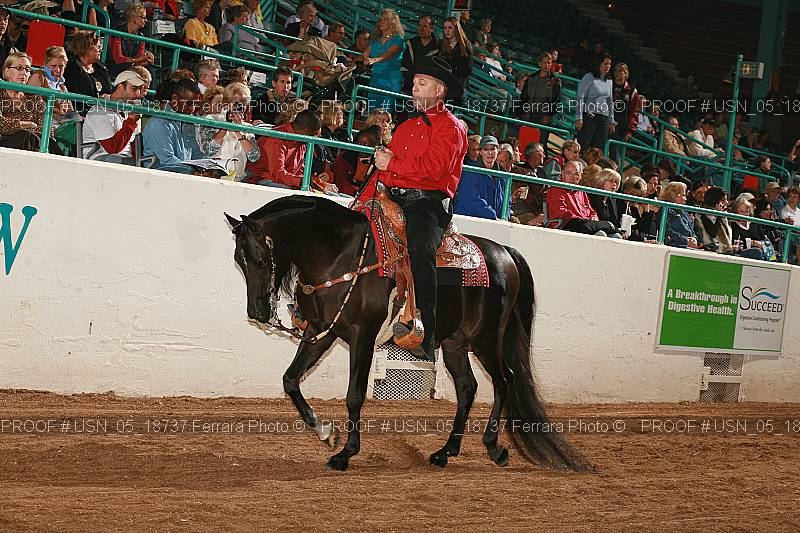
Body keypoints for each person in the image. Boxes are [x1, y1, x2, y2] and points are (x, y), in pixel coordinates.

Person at [372, 56, 467, 361]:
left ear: (440, 91)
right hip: (394, 197)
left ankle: (426, 330)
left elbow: (436, 170)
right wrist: (380, 176)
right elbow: (387, 172)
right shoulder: (405, 127)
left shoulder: (452, 127)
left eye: (422, 83)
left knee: (420, 248)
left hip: (428, 203)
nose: (414, 88)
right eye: (414, 83)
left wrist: (392, 163)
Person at [245, 109, 337, 192]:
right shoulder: (276, 138)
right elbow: (277, 174)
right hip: (259, 179)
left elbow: (299, 173)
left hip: (281, 181)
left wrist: (319, 184)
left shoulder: (302, 142)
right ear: (307, 130)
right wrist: (302, 182)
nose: (315, 139)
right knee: (296, 196)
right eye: (315, 134)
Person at [81, 68, 150, 163]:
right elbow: (112, 148)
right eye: (134, 89)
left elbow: (134, 144)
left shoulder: (132, 109)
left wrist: (139, 164)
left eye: (139, 89)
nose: (138, 94)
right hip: (99, 158)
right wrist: (131, 121)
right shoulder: (99, 109)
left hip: (124, 159)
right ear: (120, 87)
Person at [142, 77, 209, 174]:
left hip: (183, 174)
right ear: (175, 98)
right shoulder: (159, 122)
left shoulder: (188, 122)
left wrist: (211, 164)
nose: (193, 109)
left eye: (195, 104)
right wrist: (195, 172)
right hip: (160, 176)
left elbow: (195, 153)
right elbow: (167, 161)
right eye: (189, 104)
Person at [196, 81, 260, 180]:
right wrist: (226, 126)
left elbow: (254, 156)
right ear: (226, 103)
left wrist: (239, 132)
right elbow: (208, 150)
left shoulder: (247, 127)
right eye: (237, 103)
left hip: (237, 178)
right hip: (214, 176)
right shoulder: (211, 120)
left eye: (244, 103)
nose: (241, 107)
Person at [0, 52, 60, 153]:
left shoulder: (35, 98)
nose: (24, 72)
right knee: (25, 136)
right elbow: (2, 124)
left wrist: (22, 126)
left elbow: (48, 130)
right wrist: (28, 124)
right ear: (7, 72)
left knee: (49, 143)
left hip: (34, 143)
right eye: (19, 68)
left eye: (27, 69)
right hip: (5, 145)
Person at [546, 160, 619, 237]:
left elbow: (591, 210)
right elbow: (560, 213)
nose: (572, 177)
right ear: (562, 174)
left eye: (576, 174)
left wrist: (593, 217)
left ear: (580, 176)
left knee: (616, 236)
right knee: (600, 234)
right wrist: (582, 219)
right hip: (567, 225)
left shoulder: (581, 191)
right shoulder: (556, 189)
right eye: (568, 173)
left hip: (585, 225)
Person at [453, 135, 506, 220]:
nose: (490, 152)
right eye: (486, 149)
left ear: (497, 151)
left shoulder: (503, 176)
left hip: (492, 221)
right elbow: (473, 201)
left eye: (493, 149)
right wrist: (494, 217)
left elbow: (507, 203)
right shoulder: (470, 172)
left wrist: (505, 217)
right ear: (481, 152)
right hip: (466, 220)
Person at [362, 9, 404, 113]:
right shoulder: (375, 40)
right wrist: (350, 63)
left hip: (391, 81)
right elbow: (364, 55)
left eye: (385, 19)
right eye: (380, 19)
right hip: (375, 79)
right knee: (372, 113)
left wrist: (374, 60)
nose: (381, 22)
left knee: (384, 114)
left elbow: (389, 54)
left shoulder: (398, 39)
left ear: (392, 22)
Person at [520, 51, 561, 151]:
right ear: (539, 63)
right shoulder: (531, 78)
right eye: (544, 62)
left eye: (549, 62)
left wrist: (548, 115)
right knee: (526, 143)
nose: (547, 65)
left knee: (541, 145)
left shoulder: (555, 80)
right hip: (528, 115)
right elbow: (524, 96)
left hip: (543, 116)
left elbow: (556, 100)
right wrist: (521, 112)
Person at [63, 30, 113, 113]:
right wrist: (96, 100)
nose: (101, 50)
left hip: (104, 111)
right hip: (82, 113)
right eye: (98, 46)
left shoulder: (101, 68)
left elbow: (109, 90)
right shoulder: (71, 69)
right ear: (86, 48)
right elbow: (75, 99)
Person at [575, 53, 615, 150]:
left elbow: (610, 101)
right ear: (599, 64)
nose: (608, 66)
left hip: (603, 118)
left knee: (598, 150)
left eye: (609, 64)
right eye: (605, 64)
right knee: (583, 146)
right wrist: (579, 117)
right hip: (589, 116)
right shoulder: (589, 77)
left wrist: (611, 120)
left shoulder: (609, 81)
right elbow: (580, 97)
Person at [107, 3, 154, 77]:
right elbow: (118, 59)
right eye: (143, 17)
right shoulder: (116, 31)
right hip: (114, 66)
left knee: (148, 71)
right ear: (134, 18)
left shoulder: (141, 37)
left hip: (129, 67)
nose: (146, 20)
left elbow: (139, 60)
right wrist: (139, 59)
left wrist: (147, 60)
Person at [27, 46, 74, 119]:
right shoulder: (39, 76)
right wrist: (55, 112)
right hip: (42, 122)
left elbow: (71, 114)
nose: (58, 70)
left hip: (61, 123)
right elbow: (28, 103)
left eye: (61, 66)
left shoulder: (63, 88)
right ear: (45, 64)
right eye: (53, 66)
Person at [332, 125, 380, 196]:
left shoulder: (379, 163)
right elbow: (339, 180)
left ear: (375, 146)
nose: (361, 147)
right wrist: (355, 191)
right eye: (359, 143)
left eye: (366, 144)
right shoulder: (346, 157)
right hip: (345, 194)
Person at [436, 17, 472, 103]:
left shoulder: (465, 46)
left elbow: (468, 69)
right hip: (442, 86)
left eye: (450, 27)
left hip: (458, 87)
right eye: (445, 28)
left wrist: (452, 72)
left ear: (456, 29)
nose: (447, 30)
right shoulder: (441, 45)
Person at [401, 15, 437, 92]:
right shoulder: (412, 43)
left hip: (428, 88)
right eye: (419, 25)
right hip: (410, 85)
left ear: (432, 28)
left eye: (425, 26)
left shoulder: (438, 46)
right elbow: (405, 64)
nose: (421, 29)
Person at [694, 186, 733, 254]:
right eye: (723, 200)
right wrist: (719, 216)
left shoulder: (724, 217)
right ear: (715, 202)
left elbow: (728, 240)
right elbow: (711, 235)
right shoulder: (700, 216)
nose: (727, 203)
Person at [660, 181, 700, 249]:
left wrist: (694, 239)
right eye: (683, 195)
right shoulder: (665, 210)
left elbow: (692, 230)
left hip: (688, 248)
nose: (685, 199)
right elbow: (667, 231)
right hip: (673, 247)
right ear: (674, 195)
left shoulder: (685, 212)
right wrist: (685, 240)